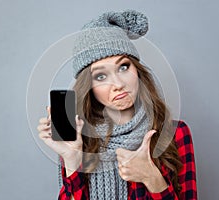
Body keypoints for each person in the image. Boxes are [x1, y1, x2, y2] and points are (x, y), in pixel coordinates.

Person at [37, 10, 197, 200]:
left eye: (123, 67)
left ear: (137, 70)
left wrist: (153, 179)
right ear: (89, 87)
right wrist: (72, 159)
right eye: (101, 76)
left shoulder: (174, 132)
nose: (118, 84)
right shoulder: (81, 140)